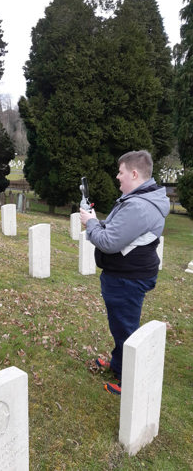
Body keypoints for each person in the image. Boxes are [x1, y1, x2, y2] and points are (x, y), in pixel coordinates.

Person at [80, 150, 169, 395]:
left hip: (128, 278)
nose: (117, 177)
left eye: (120, 172)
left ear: (133, 173)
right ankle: (119, 364)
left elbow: (108, 242)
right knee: (121, 325)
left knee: (125, 328)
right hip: (127, 275)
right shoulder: (142, 198)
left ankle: (130, 380)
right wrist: (96, 222)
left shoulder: (139, 206)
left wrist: (90, 222)